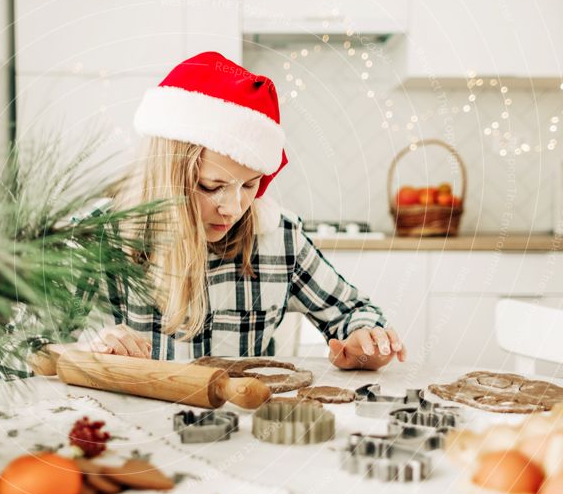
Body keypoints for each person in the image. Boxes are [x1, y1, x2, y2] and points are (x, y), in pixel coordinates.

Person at [79, 51, 405, 371]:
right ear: (166, 178)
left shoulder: (279, 239)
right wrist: (90, 346)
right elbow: (36, 342)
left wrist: (368, 339)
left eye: (249, 186)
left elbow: (354, 311)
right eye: (211, 186)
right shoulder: (102, 236)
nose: (233, 209)